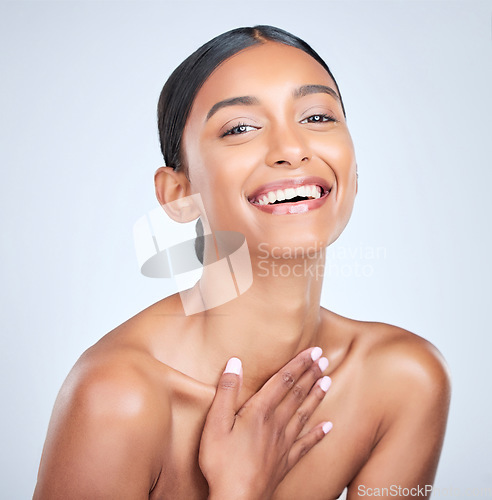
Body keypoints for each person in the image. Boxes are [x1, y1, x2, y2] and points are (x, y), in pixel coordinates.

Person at [33, 25, 451, 499]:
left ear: (354, 168)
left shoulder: (402, 382)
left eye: (316, 117)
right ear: (178, 195)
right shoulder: (118, 399)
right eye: (240, 128)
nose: (292, 149)